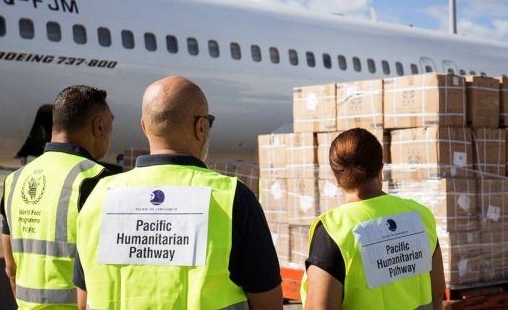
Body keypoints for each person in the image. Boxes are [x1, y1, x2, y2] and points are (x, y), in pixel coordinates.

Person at [74, 76, 283, 310]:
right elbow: (269, 303)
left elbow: (83, 300)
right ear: (201, 127)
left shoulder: (98, 197)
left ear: (144, 126)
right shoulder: (233, 197)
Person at [301, 128, 445, 310]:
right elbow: (438, 291)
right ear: (380, 169)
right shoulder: (420, 216)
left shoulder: (334, 230)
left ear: (335, 175)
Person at [0, 85, 115, 309]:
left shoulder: (14, 180)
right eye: (110, 125)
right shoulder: (97, 180)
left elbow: (10, 268)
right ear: (98, 126)